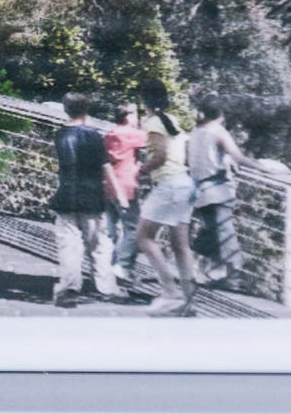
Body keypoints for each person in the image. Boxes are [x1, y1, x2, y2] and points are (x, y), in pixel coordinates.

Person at [135, 80, 198, 316]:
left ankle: (170, 292)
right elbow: (186, 152)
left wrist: (141, 170)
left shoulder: (152, 122)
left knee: (144, 237)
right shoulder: (172, 121)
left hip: (169, 185)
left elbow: (160, 156)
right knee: (180, 246)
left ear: (145, 101)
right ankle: (187, 300)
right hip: (184, 183)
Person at [50, 93, 116, 307]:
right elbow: (105, 166)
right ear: (86, 109)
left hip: (66, 194)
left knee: (69, 245)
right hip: (92, 195)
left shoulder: (60, 134)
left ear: (65, 109)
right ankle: (105, 286)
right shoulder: (93, 135)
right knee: (99, 244)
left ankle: (70, 287)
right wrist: (117, 193)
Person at [187, 96, 256, 287]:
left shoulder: (196, 132)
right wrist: (261, 167)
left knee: (210, 231)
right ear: (222, 115)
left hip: (200, 192)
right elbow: (239, 157)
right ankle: (233, 277)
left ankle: (195, 269)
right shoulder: (218, 132)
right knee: (225, 233)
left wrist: (225, 161)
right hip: (218, 192)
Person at [102, 103, 147, 282]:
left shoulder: (109, 134)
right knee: (135, 228)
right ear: (128, 116)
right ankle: (123, 266)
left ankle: (106, 267)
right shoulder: (133, 134)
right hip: (126, 187)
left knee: (110, 230)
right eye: (137, 115)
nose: (139, 119)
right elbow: (157, 141)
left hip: (107, 185)